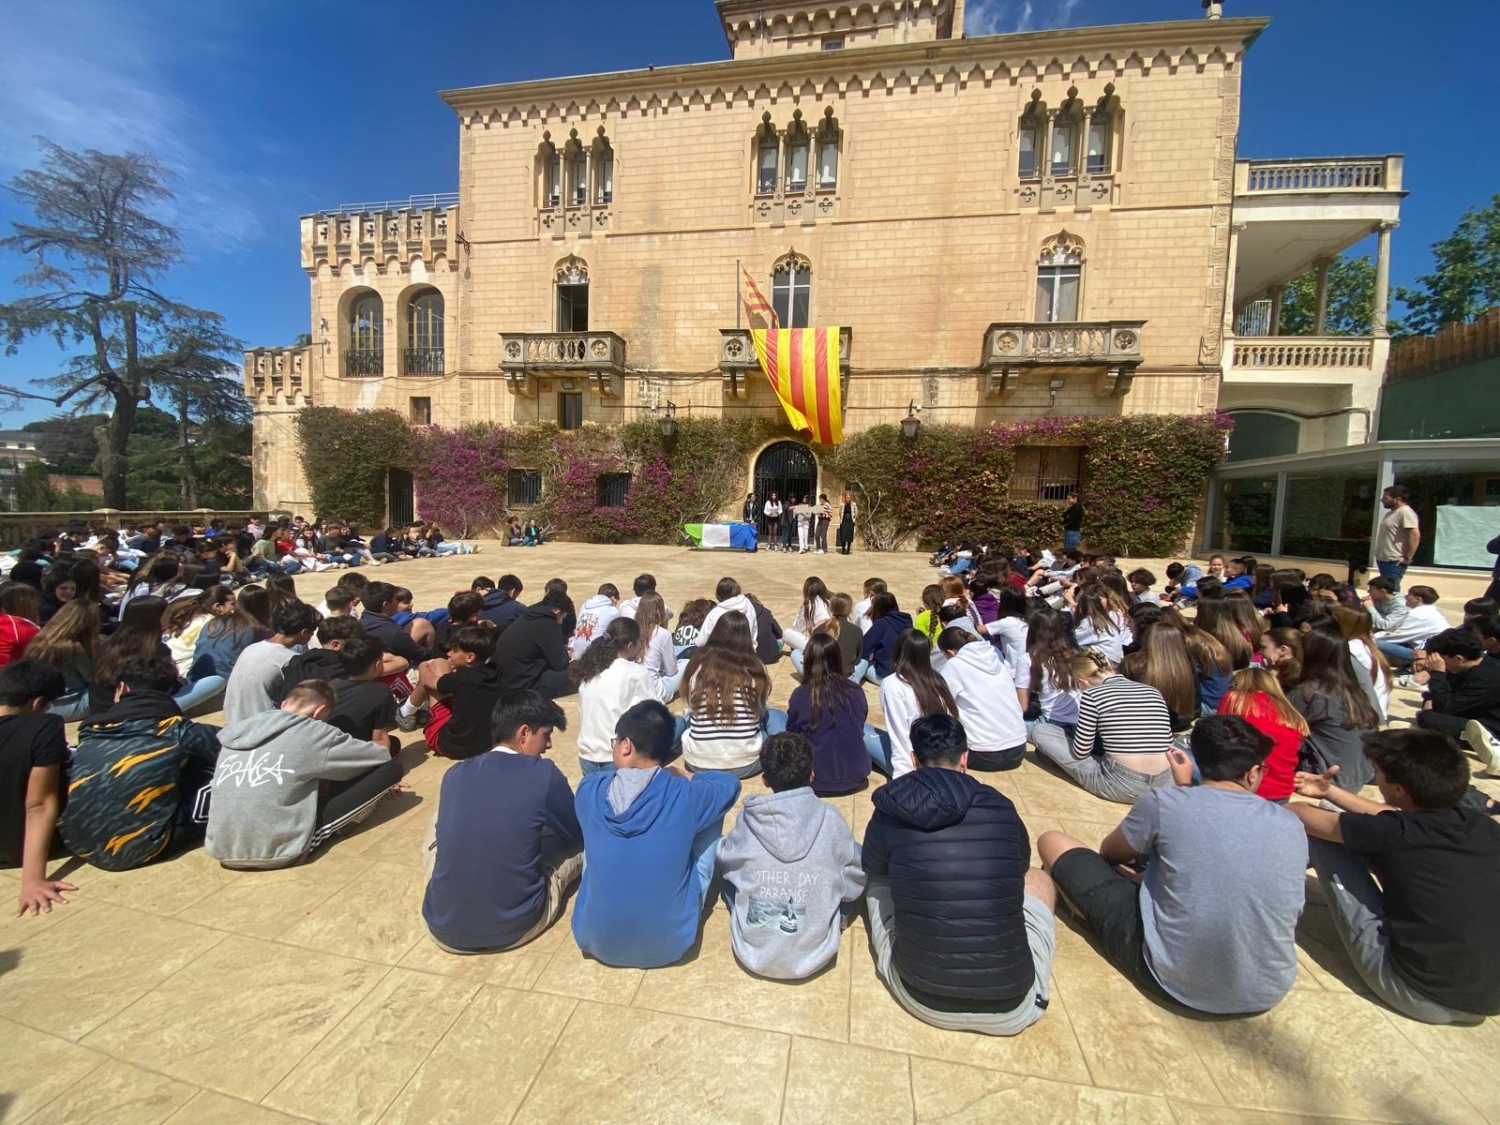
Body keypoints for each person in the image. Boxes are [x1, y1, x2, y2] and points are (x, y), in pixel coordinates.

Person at [1039, 716, 1307, 1014]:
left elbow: (1110, 852)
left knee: (1053, 842)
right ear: (1254, 773)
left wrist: (1181, 790)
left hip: (1172, 979)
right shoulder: (1291, 824)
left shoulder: (1166, 803)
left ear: (1197, 759)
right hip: (1266, 989)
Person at [1289, 728, 1500, 1023]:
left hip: (1416, 991)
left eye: (1378, 772)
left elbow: (1300, 813)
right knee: (1355, 830)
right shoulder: (1481, 825)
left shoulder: (1394, 833)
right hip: (1486, 998)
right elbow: (1389, 816)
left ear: (1400, 789)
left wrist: (1299, 804)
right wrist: (1332, 792)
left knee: (1326, 836)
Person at [863, 714, 1057, 1035]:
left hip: (919, 994)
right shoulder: (1001, 807)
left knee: (876, 880)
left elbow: (873, 866)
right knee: (1039, 880)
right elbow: (1020, 869)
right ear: (965, 758)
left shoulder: (891, 806)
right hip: (1011, 1004)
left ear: (914, 760)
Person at [571, 699, 740, 968]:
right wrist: (686, 775)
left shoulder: (589, 790)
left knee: (595, 835)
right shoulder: (685, 794)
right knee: (711, 811)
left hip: (593, 937)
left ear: (626, 746)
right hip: (671, 944)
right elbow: (729, 785)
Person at [423, 690, 583, 953]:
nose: (549, 745)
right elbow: (576, 831)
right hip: (517, 926)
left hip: (443, 929)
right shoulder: (544, 774)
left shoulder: (455, 773)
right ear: (523, 734)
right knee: (579, 844)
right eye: (546, 734)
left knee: (437, 822)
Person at [207, 679, 403, 869]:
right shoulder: (314, 732)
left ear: (284, 704)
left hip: (222, 851)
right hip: (283, 852)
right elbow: (379, 755)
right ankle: (331, 828)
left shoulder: (239, 731)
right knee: (391, 769)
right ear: (319, 712)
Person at [717, 732, 865, 979]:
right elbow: (855, 878)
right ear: (812, 775)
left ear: (764, 780)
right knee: (847, 879)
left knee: (728, 882)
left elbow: (726, 859)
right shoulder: (831, 818)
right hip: (816, 953)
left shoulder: (748, 818)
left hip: (752, 952)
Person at [63, 655, 221, 871]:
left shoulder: (90, 731)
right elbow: (232, 744)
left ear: (121, 688)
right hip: (141, 848)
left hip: (79, 843)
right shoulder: (176, 731)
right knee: (209, 771)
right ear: (170, 691)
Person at [1031, 652, 1173, 804]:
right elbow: (1168, 744)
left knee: (1041, 732)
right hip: (1165, 784)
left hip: (1121, 786)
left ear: (1083, 681)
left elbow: (1080, 752)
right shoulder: (1152, 691)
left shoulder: (1092, 694)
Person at [0, 660, 76, 915]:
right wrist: (32, 880)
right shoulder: (43, 726)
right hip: (17, 848)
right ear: (37, 703)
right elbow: (39, 803)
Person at [680, 612, 785, 777]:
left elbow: (693, 704)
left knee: (688, 718)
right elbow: (758, 708)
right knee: (774, 714)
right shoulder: (755, 667)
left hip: (697, 763)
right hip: (747, 763)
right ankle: (783, 752)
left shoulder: (697, 664)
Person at [1285, 627, 1382, 791]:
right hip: (1360, 772)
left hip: (1328, 776)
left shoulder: (1310, 693)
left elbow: (1277, 724)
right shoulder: (1352, 689)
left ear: (1310, 653)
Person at [574, 618, 672, 775]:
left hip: (587, 756)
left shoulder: (590, 670)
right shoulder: (635, 672)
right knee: (677, 724)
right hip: (616, 757)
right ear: (630, 646)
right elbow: (657, 711)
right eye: (639, 643)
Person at [786, 633, 880, 796]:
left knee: (776, 720)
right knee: (866, 731)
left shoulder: (800, 695)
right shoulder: (855, 690)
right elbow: (860, 721)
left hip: (814, 780)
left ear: (807, 661)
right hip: (856, 776)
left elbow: (792, 733)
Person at [937, 628, 1027, 770]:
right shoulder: (997, 661)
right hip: (1018, 750)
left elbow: (940, 706)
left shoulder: (954, 665)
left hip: (983, 754)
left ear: (950, 652)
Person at [1215, 667, 1308, 802]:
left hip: (1242, 786)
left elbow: (1216, 738)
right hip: (1281, 792)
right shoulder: (1291, 713)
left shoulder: (1235, 699)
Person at [1416, 628, 1500, 774]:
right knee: (1429, 717)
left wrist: (1437, 673)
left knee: (1429, 720)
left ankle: (1494, 744)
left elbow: (1445, 707)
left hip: (1493, 726)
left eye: (1441, 660)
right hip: (1477, 716)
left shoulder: (1484, 677)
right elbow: (1439, 694)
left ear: (1459, 659)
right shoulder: (1468, 668)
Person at [223, 601, 320, 724]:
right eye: (312, 632)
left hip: (234, 720)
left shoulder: (251, 648)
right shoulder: (290, 660)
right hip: (263, 725)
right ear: (304, 632)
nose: (312, 635)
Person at [876, 631, 957, 778]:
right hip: (942, 758)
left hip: (916, 762)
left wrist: (905, 778)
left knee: (865, 732)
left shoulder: (893, 684)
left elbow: (899, 734)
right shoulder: (938, 680)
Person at [493, 589, 575, 698]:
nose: (561, 621)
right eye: (563, 617)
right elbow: (560, 665)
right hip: (523, 685)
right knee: (576, 673)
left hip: (503, 679)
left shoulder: (526, 616)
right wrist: (566, 653)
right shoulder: (550, 625)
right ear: (558, 612)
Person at [327, 637, 400, 753]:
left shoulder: (331, 686)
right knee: (393, 746)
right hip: (353, 750)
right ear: (377, 665)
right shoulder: (381, 691)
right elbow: (379, 737)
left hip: (327, 746)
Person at [1374, 585, 1447, 667]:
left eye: (1409, 595)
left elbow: (1397, 636)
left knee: (1375, 642)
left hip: (1427, 653)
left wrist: (1372, 637)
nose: (1405, 597)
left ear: (1418, 599)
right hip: (1430, 647)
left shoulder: (1418, 614)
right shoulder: (1429, 610)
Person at [1375, 484, 1421, 592]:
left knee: (1391, 591)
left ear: (1397, 499)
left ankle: (1396, 609)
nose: (1382, 500)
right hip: (1384, 558)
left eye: (1386, 497)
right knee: (1384, 590)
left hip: (1394, 560)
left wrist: (1407, 557)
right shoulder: (1391, 513)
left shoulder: (1405, 512)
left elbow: (1414, 535)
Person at [860, 592, 913, 683]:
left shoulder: (882, 623)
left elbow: (864, 648)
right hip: (905, 673)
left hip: (886, 675)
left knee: (862, 663)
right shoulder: (907, 620)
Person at [696, 577, 759, 651]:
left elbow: (700, 642)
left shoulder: (715, 613)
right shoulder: (748, 605)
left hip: (722, 658)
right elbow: (754, 631)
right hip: (747, 654)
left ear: (718, 595)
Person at [783, 576, 832, 661]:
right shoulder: (831, 600)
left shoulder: (809, 604)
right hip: (833, 643)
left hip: (819, 645)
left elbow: (797, 628)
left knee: (787, 633)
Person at [571, 583, 622, 659]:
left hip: (576, 651)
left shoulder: (584, 605)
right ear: (613, 599)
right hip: (594, 655)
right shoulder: (613, 611)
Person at [836, 491, 856, 555]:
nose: (848, 499)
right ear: (845, 498)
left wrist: (854, 519)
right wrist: (842, 519)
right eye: (847, 498)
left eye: (849, 498)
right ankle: (843, 549)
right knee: (843, 536)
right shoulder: (842, 504)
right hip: (844, 522)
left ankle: (848, 550)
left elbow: (856, 512)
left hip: (850, 522)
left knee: (849, 536)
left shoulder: (854, 504)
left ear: (851, 498)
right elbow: (839, 513)